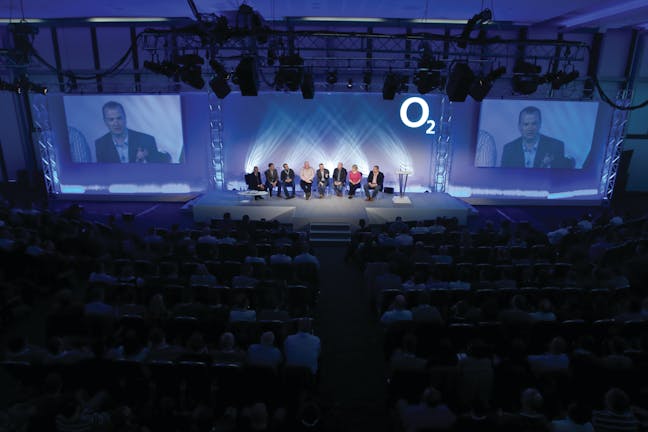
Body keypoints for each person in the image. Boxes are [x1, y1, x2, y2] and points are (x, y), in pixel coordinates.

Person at [95, 101, 166, 163]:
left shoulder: (147, 140)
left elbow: (156, 170)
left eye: (119, 118)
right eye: (111, 120)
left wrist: (145, 160)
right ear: (105, 122)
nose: (116, 123)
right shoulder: (101, 144)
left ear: (125, 118)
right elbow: (103, 173)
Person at [500, 106, 568, 168]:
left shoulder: (556, 146)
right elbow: (504, 177)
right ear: (519, 126)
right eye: (526, 124)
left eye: (534, 124)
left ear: (540, 124)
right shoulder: (509, 149)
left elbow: (559, 177)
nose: (530, 128)